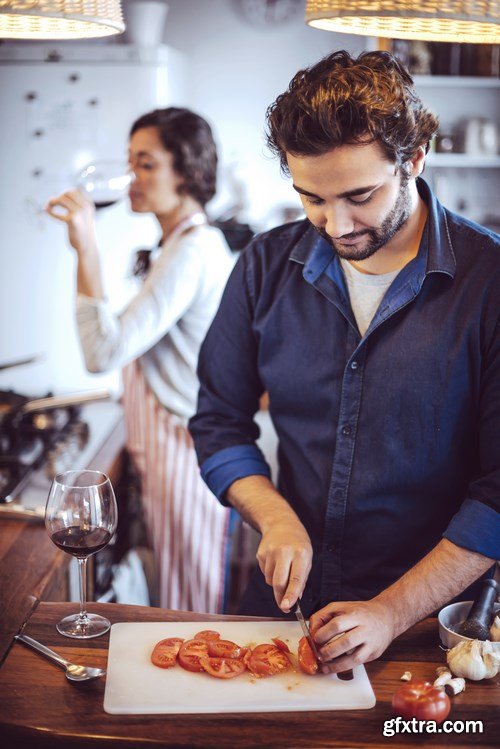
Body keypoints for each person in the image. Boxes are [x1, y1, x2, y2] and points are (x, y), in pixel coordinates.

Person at [189, 51, 500, 671]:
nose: (335, 224)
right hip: (286, 607)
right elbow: (219, 422)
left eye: (359, 195)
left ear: (413, 159)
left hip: (427, 625)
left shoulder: (489, 281)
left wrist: (388, 610)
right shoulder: (263, 266)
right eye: (311, 198)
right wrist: (274, 517)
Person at [46, 107, 235, 613]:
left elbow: (102, 351)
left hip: (183, 448)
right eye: (130, 162)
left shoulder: (192, 250)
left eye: (146, 164)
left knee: (188, 600)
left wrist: (85, 246)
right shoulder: (178, 244)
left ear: (187, 170)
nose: (131, 178)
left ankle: (198, 691)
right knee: (177, 589)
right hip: (169, 443)